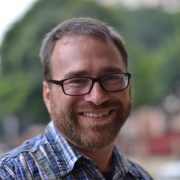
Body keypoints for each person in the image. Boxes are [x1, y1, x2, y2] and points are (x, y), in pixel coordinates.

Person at [0, 17, 152, 180]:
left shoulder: (140, 177)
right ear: (48, 95)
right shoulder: (12, 174)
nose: (97, 97)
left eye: (111, 78)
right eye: (77, 81)